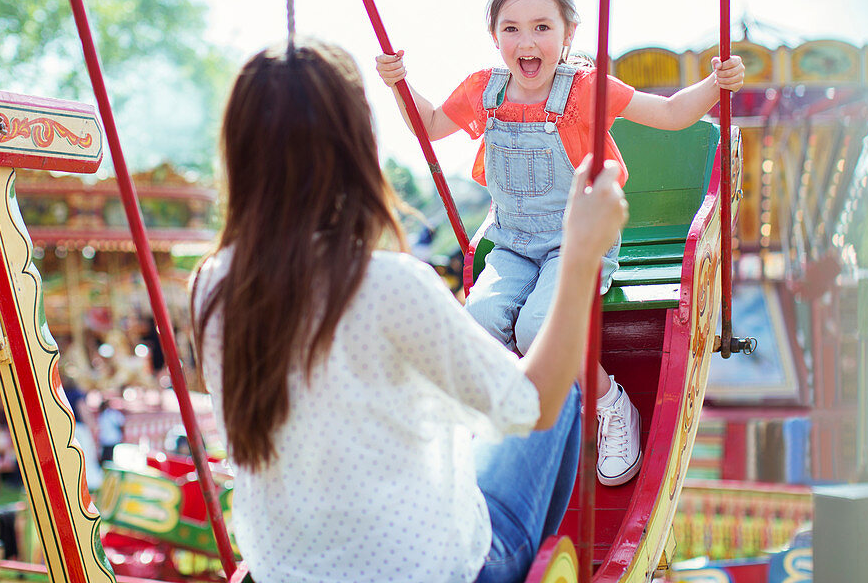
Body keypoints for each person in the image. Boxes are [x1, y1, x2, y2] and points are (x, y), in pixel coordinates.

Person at [190, 40, 628, 583]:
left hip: (288, 569)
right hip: (430, 571)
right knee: (564, 393)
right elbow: (533, 406)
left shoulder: (211, 286)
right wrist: (581, 254)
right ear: (357, 147)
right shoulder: (386, 284)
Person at [375, 0, 745, 485]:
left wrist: (714, 85)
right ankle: (515, 415)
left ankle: (610, 402)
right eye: (512, 28)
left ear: (569, 34)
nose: (527, 41)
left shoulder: (585, 91)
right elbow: (429, 124)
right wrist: (399, 84)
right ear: (495, 37)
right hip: (509, 242)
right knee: (476, 321)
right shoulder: (486, 89)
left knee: (535, 326)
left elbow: (668, 115)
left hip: (578, 243)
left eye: (542, 27)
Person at [96, 399, 125, 465]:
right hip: (108, 440)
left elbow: (121, 425)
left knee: (109, 459)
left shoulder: (112, 414)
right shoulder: (103, 415)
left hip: (111, 439)